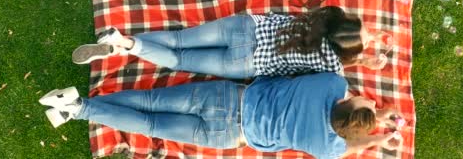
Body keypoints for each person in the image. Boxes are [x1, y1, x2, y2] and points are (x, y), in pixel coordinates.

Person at [39, 72, 403, 158]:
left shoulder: (332, 85)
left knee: (152, 100)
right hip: (227, 137)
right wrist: (381, 138)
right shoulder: (330, 149)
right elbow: (353, 146)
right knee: (151, 125)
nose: (368, 101)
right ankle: (78, 108)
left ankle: (77, 104)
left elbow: (353, 99)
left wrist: (380, 111)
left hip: (229, 97)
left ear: (352, 103)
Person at [71, 6, 389, 79]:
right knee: (180, 62)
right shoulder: (332, 64)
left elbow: (352, 26)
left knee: (180, 39)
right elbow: (347, 61)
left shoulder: (324, 17)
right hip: (248, 63)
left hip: (245, 27)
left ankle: (123, 41)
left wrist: (365, 33)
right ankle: (127, 47)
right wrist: (364, 59)